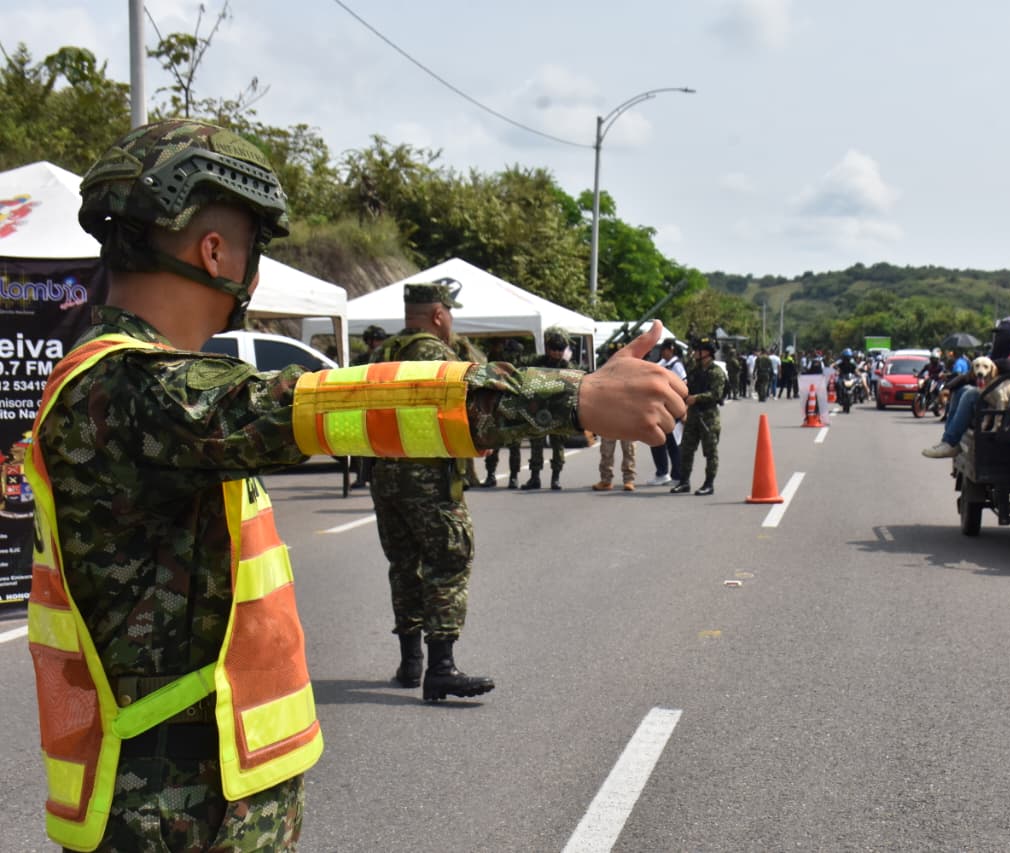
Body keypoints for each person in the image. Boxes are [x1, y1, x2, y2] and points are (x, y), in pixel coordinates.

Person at [26, 118, 686, 852]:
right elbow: (331, 404)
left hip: (192, 796)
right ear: (214, 253)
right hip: (173, 812)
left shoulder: (127, 385)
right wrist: (573, 397)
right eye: (255, 245)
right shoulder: (132, 388)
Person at [368, 280, 496, 703]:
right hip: (429, 480)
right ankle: (441, 669)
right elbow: (466, 408)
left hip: (385, 478)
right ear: (439, 314)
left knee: (404, 566)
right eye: (450, 313)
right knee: (448, 560)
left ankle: (410, 663)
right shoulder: (438, 356)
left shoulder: (381, 354)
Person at [923, 316, 1010, 458]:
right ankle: (950, 442)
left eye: (1001, 334)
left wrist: (988, 363)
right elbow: (972, 375)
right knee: (962, 390)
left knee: (971, 394)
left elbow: (1007, 365)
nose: (998, 338)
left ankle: (950, 441)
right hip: (999, 401)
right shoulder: (1003, 352)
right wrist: (949, 386)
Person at [672, 338, 727, 495]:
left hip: (709, 417)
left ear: (706, 352)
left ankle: (709, 484)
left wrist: (696, 398)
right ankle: (684, 482)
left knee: (710, 452)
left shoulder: (716, 372)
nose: (695, 353)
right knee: (686, 449)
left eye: (698, 350)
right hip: (693, 416)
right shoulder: (695, 370)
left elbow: (716, 394)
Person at [521, 330, 572, 490]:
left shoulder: (567, 367)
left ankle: (555, 478)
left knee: (558, 446)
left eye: (560, 350)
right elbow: (526, 378)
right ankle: (534, 477)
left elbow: (572, 388)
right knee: (536, 444)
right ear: (548, 349)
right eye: (554, 349)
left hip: (558, 411)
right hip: (539, 410)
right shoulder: (538, 362)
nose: (557, 353)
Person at [348, 324, 390, 488]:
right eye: (376, 340)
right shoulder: (360, 361)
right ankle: (362, 476)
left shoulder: (387, 359)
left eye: (381, 340)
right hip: (363, 406)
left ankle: (379, 477)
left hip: (383, 406)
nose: (379, 343)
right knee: (362, 445)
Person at [481, 338, 525, 488]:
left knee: (514, 445)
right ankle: (491, 475)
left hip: (513, 407)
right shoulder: (494, 362)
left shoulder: (519, 366)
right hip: (496, 407)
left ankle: (513, 477)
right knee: (493, 442)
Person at [594, 340, 638, 491]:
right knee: (606, 450)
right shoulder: (604, 371)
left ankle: (629, 479)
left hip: (627, 415)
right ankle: (606, 480)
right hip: (609, 415)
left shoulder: (633, 372)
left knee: (629, 449)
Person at [647, 338, 686, 485]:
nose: (662, 353)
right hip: (663, 409)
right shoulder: (664, 364)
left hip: (672, 409)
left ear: (670, 350)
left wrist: (682, 411)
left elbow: (683, 386)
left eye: (663, 350)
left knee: (673, 443)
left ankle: (676, 474)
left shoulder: (676, 365)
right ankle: (663, 472)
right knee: (660, 441)